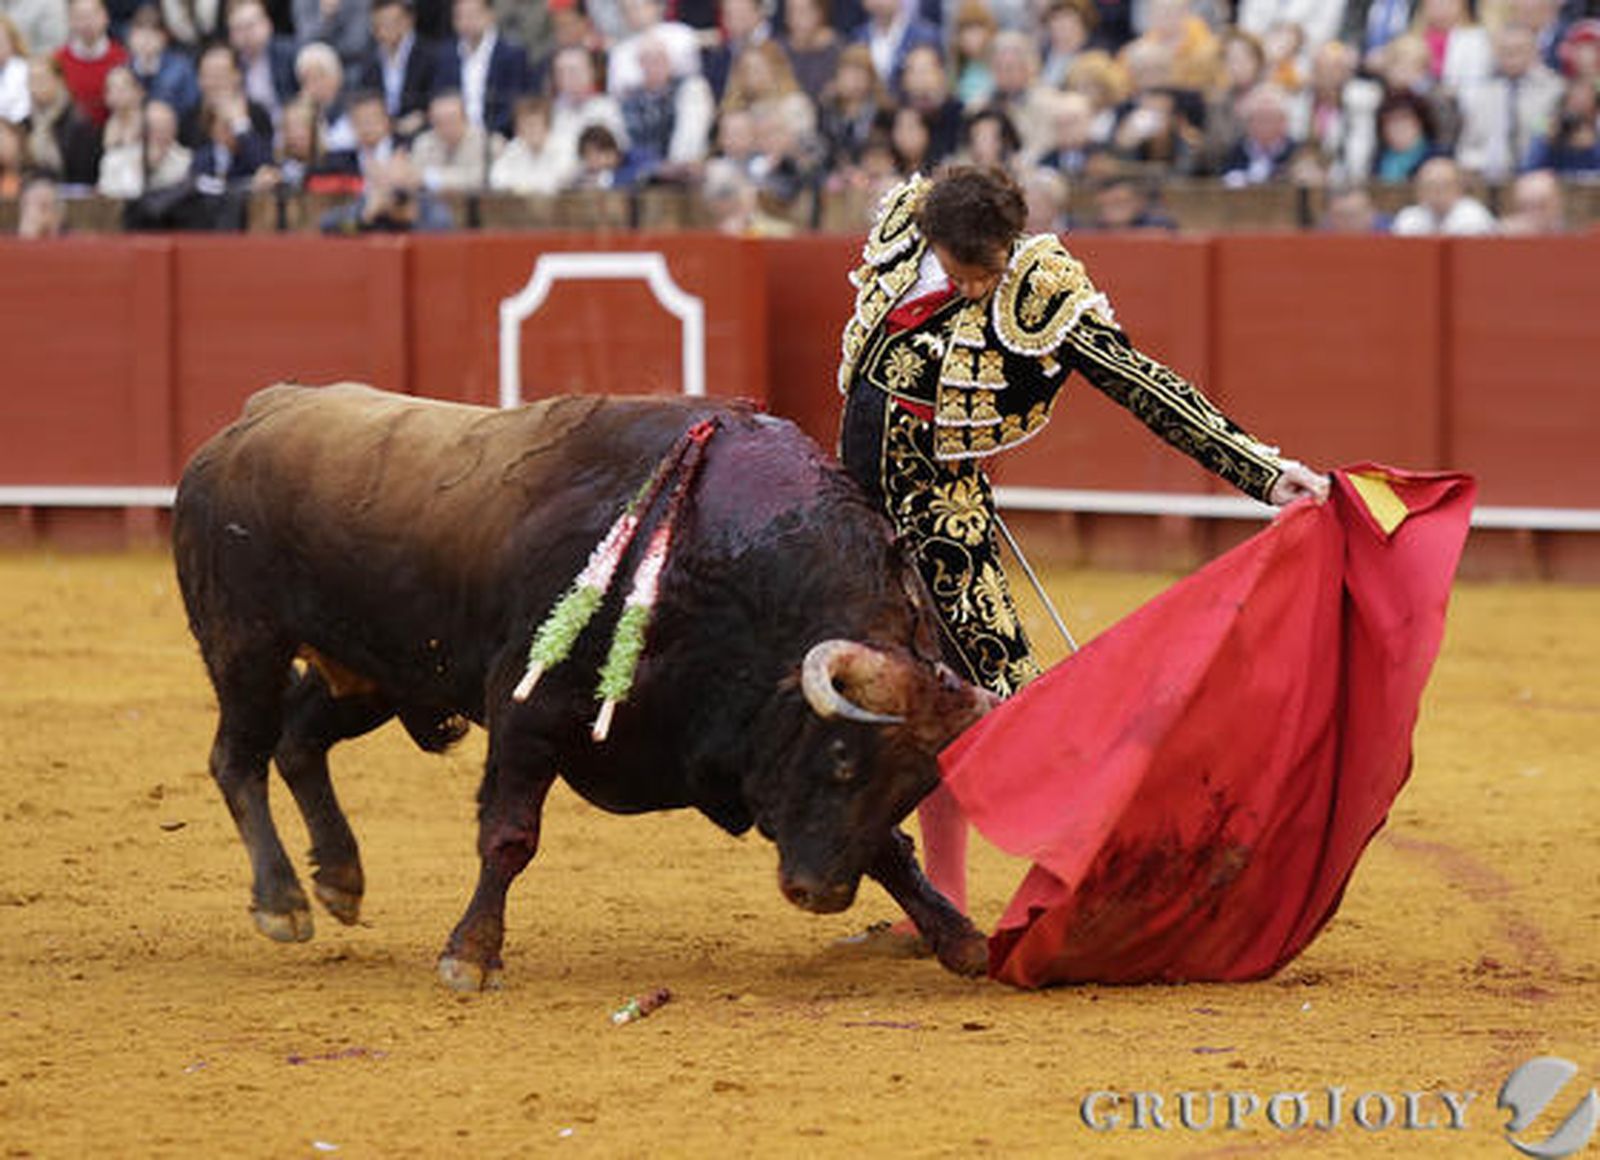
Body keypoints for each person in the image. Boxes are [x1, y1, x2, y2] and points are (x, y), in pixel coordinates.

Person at [834, 165, 1327, 940]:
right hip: (855, 520)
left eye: (985, 274)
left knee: (1006, 707)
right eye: (964, 274)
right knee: (905, 706)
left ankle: (1106, 874)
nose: (973, 290)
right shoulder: (904, 232)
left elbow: (1143, 384)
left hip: (943, 524)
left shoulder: (1039, 289)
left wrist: (1262, 473)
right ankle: (944, 900)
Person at [356, 0, 435, 142]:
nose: (384, 30)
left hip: (420, 130)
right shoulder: (370, 62)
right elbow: (365, 97)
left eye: (390, 22)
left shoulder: (429, 56)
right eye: (379, 25)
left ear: (408, 21)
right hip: (380, 132)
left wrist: (422, 116)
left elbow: (435, 97)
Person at [1390, 153, 1497, 232]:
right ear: (1419, 191)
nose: (1436, 193)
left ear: (1459, 189)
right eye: (1429, 186)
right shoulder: (1409, 218)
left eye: (1444, 186)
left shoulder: (1473, 215)